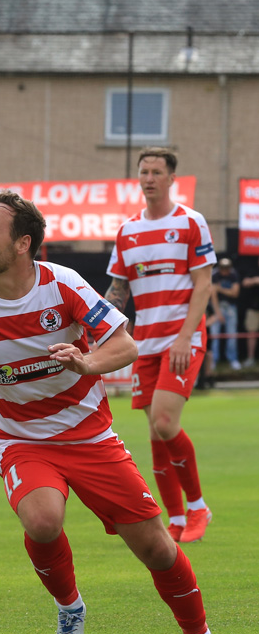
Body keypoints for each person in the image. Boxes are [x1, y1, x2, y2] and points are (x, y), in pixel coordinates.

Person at [0, 189, 233, 634]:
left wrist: (86, 363)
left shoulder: (63, 285)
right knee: (42, 521)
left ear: (23, 244)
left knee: (156, 547)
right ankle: (69, 607)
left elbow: (124, 346)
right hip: (24, 440)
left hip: (90, 437)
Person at [105, 147, 215, 545]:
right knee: (155, 433)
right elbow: (118, 290)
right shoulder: (127, 231)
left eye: (157, 172)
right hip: (146, 344)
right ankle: (177, 518)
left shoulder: (191, 222)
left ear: (172, 179)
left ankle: (199, 507)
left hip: (182, 339)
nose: (149, 178)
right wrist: (91, 320)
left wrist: (186, 336)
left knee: (166, 423)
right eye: (144, 171)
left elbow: (203, 284)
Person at [209, 257, 241, 369]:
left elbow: (235, 293)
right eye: (223, 268)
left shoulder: (233, 274)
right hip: (217, 308)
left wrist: (220, 289)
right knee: (215, 336)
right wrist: (218, 313)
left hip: (231, 308)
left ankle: (233, 359)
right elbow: (213, 296)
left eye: (227, 268)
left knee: (231, 334)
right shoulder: (214, 274)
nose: (225, 271)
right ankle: (213, 360)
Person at [242, 256, 259, 367]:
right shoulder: (252, 271)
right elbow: (244, 282)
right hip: (254, 308)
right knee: (251, 333)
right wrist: (255, 280)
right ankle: (250, 358)